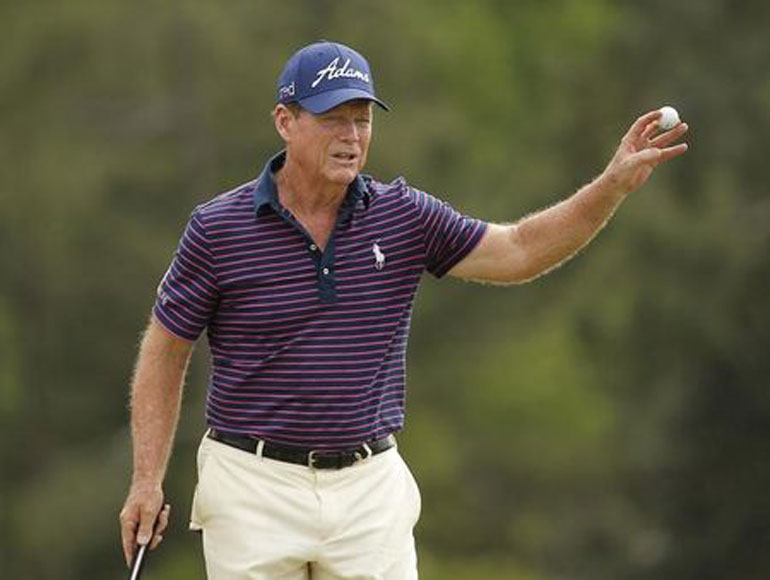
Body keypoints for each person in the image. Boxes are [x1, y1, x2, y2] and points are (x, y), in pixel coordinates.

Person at [119, 40, 688, 579]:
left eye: (362, 119)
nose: (351, 135)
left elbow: (518, 251)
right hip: (252, 482)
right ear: (285, 122)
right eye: (332, 118)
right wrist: (147, 480)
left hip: (369, 486)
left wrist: (609, 188)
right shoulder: (220, 229)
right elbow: (166, 351)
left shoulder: (404, 214)